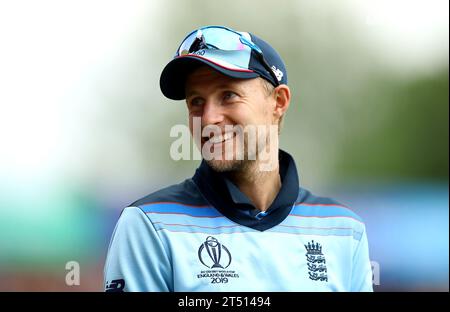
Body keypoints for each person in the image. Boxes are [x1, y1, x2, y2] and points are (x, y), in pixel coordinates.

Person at [104, 25, 373, 292]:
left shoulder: (344, 230)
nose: (209, 118)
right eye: (196, 101)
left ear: (278, 102)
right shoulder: (149, 224)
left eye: (228, 95)